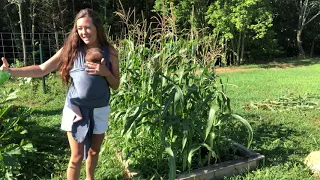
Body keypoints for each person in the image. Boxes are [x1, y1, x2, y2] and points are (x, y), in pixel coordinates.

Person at [0, 8, 120, 180]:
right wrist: (10, 71)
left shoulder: (110, 52)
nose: (83, 32)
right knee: (77, 156)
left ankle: (90, 178)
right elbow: (41, 69)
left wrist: (106, 73)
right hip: (76, 110)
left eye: (87, 27)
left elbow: (116, 85)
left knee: (94, 151)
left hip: (100, 109)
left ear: (97, 28)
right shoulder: (71, 49)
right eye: (79, 28)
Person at [70, 47, 105, 122]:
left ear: (86, 61)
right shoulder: (102, 70)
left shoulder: (83, 69)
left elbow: (73, 72)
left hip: (80, 100)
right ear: (102, 61)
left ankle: (78, 115)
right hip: (99, 101)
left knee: (71, 102)